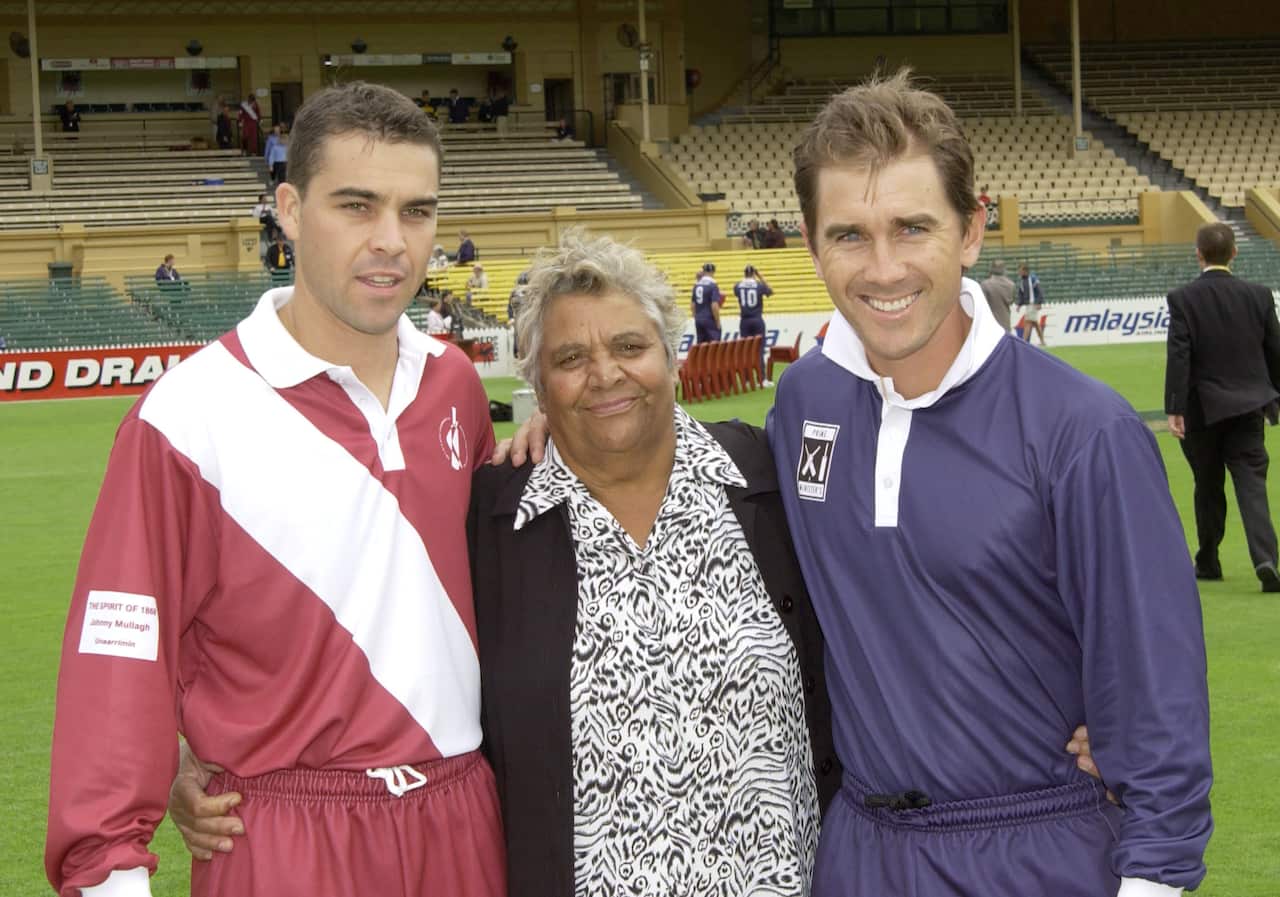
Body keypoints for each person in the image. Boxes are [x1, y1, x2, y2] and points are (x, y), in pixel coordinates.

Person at [45, 80, 505, 897]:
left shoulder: (455, 388)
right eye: (356, 206)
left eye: (417, 211)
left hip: (460, 816)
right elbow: (119, 652)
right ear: (289, 209)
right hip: (285, 834)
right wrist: (112, 865)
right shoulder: (188, 417)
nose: (392, 241)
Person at [769, 68, 1212, 897]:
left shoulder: (1085, 432)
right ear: (809, 242)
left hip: (1037, 852)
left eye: (912, 227)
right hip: (861, 853)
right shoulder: (804, 402)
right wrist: (556, 435)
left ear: (971, 231)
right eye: (850, 235)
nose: (884, 266)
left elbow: (1159, 716)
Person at [475, 232, 836, 895]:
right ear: (537, 383)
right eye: (571, 357)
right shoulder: (490, 525)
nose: (605, 373)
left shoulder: (767, 478)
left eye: (630, 346)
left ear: (672, 354)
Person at [1165, 221, 1280, 590]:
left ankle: (1209, 559)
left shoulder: (1183, 299)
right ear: (1235, 252)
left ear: (1198, 254)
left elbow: (1179, 356)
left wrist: (1174, 407)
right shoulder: (1260, 296)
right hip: (1249, 407)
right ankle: (1266, 558)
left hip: (1202, 410)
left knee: (1208, 484)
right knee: (1251, 484)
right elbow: (1275, 353)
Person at [734, 264, 773, 385]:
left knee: (745, 350)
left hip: (744, 320)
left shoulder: (738, 286)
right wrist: (760, 276)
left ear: (744, 273)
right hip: (757, 319)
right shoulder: (758, 285)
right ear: (753, 274)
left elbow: (737, 293)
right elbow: (770, 291)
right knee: (759, 349)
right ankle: (761, 379)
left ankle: (746, 379)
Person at [979, 258, 1016, 333]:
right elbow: (1011, 301)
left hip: (989, 324)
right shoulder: (1011, 285)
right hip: (1005, 322)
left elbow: (982, 304)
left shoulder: (985, 284)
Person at [690, 261, 723, 343]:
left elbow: (693, 305)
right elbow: (714, 305)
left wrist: (696, 317)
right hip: (709, 318)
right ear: (713, 272)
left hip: (699, 318)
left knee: (701, 346)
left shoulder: (697, 285)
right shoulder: (712, 285)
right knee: (714, 346)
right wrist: (718, 322)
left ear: (703, 271)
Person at [1016, 261, 1047, 345]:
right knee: (1035, 323)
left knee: (1028, 322)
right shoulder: (1022, 281)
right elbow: (1021, 294)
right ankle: (1042, 341)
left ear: (1025, 271)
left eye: (1020, 270)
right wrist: (1019, 304)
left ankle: (1023, 342)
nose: (1018, 272)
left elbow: (1039, 291)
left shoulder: (1033, 279)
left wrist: (1039, 302)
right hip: (1028, 305)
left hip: (1033, 304)